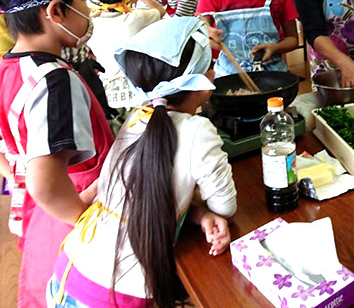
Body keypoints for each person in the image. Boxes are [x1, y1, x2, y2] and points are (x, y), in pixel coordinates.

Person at [48, 17, 236, 307]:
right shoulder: (199, 130)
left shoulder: (136, 118)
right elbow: (226, 207)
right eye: (209, 66)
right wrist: (207, 211)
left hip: (69, 272)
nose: (213, 73)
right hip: (119, 295)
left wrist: (197, 215)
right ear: (197, 81)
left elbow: (143, 196)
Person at [0, 0, 112, 308]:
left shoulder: (8, 69)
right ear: (56, 11)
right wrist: (82, 218)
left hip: (39, 218)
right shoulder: (53, 80)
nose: (89, 12)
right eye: (82, 0)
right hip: (71, 221)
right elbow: (47, 183)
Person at [85, 0, 165, 110]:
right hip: (143, 98)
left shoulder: (90, 26)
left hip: (111, 100)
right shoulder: (137, 18)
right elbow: (160, 10)